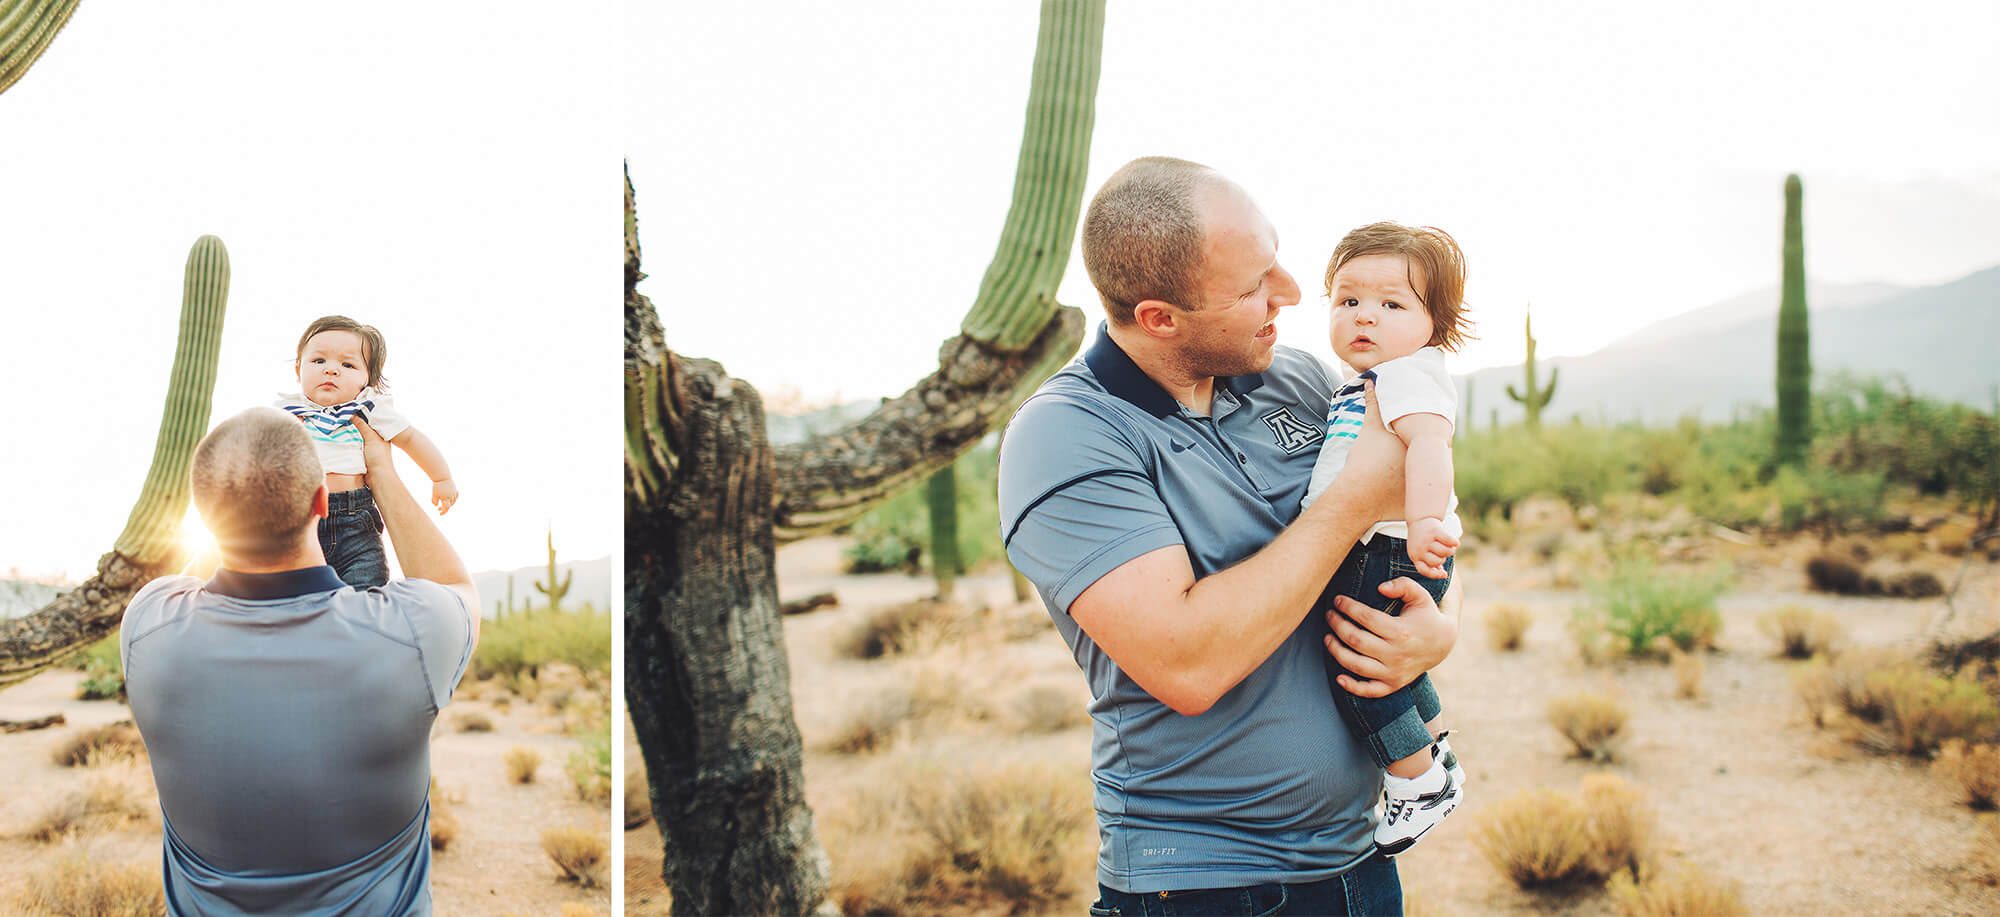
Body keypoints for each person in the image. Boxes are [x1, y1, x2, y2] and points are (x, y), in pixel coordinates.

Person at [997, 156, 1458, 916]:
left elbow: (1411, 527)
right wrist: (1347, 503)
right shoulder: (1067, 435)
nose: (1290, 295)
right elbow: (1187, 662)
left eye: (1276, 263)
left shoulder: (1303, 379)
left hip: (1359, 862)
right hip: (1205, 885)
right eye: (1252, 288)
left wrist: (1436, 628)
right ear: (1159, 318)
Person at [121, 406, 479, 915]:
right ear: (321, 500)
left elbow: (197, 577)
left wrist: (236, 496)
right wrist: (379, 471)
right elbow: (454, 587)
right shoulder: (410, 633)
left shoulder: (148, 625)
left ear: (203, 513)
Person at [1302, 222, 1474, 856]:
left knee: (1361, 671)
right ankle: (1437, 752)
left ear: (1434, 322)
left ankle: (1418, 784)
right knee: (1391, 668)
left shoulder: (1407, 375)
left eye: (1391, 304)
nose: (1363, 317)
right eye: (1348, 301)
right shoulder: (1376, 378)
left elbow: (1431, 443)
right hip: (1387, 542)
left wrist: (1428, 520)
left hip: (1387, 547)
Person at [277, 315, 458, 588]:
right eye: (319, 361)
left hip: (355, 522)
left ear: (366, 380)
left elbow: (410, 438)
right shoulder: (288, 411)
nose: (331, 370)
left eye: (347, 364)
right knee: (294, 595)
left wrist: (441, 478)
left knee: (366, 586)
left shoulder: (368, 408)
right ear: (298, 370)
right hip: (299, 519)